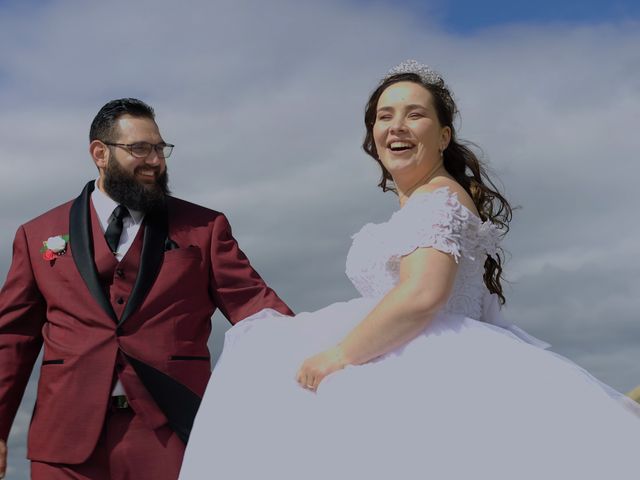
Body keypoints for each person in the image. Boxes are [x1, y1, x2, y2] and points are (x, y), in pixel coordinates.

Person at [179, 61, 640, 480]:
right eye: (384, 116)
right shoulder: (430, 198)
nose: (396, 126)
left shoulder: (437, 199)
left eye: (414, 114)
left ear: (443, 136)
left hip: (432, 371)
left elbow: (423, 295)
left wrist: (338, 356)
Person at [0, 98, 293, 480]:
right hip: (65, 439)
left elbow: (255, 304)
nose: (156, 161)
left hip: (171, 432)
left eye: (160, 148)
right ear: (99, 153)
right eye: (140, 149)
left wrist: (315, 351)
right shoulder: (36, 234)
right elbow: (12, 338)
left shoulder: (205, 228)